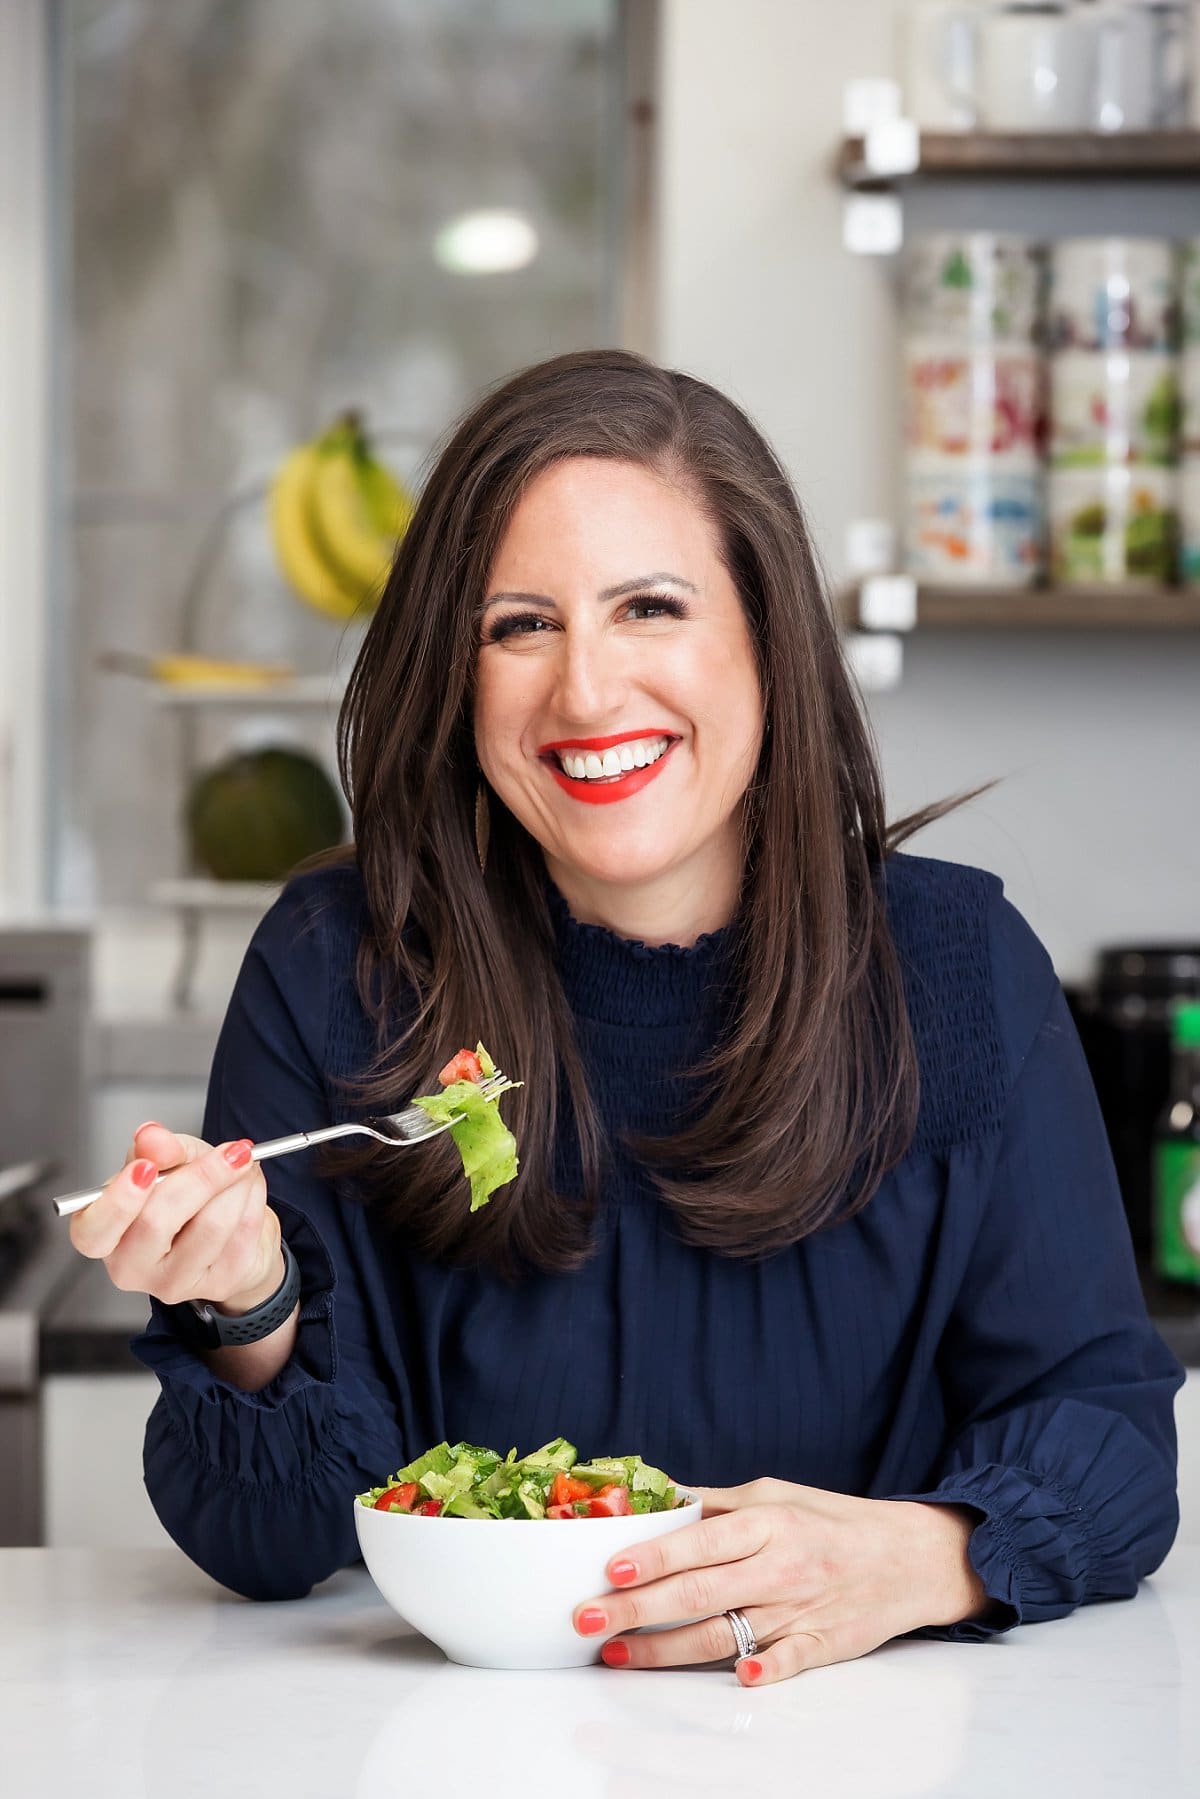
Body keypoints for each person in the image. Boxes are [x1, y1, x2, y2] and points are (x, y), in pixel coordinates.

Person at [70, 349, 1184, 1687]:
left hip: (853, 1739)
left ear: (767, 640)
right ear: (457, 676)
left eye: (649, 607)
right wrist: (245, 1308)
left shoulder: (955, 966)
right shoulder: (340, 968)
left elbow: (1109, 1436)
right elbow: (266, 1544)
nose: (587, 693)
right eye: (518, 625)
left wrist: (925, 1555)